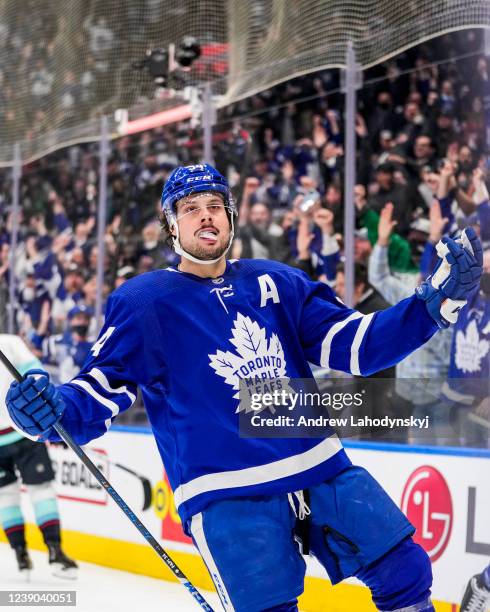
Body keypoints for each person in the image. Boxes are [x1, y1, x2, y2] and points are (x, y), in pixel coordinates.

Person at [4, 164, 482, 612]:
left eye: (214, 204)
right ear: (173, 228)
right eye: (189, 208)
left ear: (230, 219)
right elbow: (98, 391)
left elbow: (357, 346)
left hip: (317, 466)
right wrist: (54, 410)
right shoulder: (145, 303)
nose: (205, 214)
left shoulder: (276, 281)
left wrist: (430, 308)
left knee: (405, 569)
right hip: (226, 491)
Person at [0, 334, 78, 577]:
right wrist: (51, 421)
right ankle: (55, 553)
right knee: (41, 489)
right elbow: (37, 377)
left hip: (20, 434)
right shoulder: (10, 342)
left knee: (5, 496)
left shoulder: (10, 342)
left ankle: (21, 556)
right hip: (25, 431)